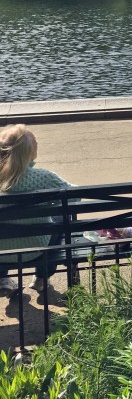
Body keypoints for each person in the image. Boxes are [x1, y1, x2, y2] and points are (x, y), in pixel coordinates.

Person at [0, 124, 72, 297]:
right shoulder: (44, 177)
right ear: (28, 152)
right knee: (62, 219)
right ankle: (41, 276)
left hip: (1, 251)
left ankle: (2, 279)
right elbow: (74, 196)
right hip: (37, 247)